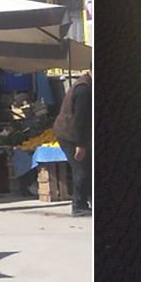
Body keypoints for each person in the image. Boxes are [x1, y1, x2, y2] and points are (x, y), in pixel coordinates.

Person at [53, 69, 93, 217]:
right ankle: (78, 205)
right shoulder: (84, 90)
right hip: (70, 135)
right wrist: (80, 145)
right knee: (82, 169)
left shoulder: (87, 84)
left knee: (88, 167)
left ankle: (87, 200)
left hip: (75, 133)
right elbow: (80, 120)